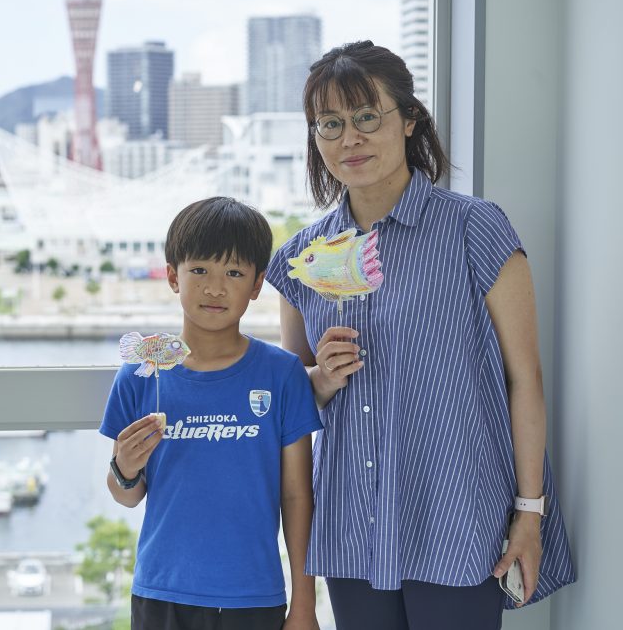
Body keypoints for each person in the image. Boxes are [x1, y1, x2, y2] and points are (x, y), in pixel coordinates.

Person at [266, 41, 575, 630]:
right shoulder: (301, 259)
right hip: (353, 523)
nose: (349, 138)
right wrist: (322, 380)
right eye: (330, 124)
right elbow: (293, 404)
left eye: (366, 117)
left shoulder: (474, 227)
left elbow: (523, 378)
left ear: (409, 120)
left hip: (459, 515)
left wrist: (529, 514)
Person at [100, 197, 324, 630]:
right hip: (161, 592)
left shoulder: (282, 374)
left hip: (254, 596)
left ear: (257, 285)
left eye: (234, 273)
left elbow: (298, 497)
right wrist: (124, 467)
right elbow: (125, 493)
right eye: (199, 270)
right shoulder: (141, 375)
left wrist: (304, 605)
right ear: (172, 276)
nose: (215, 287)